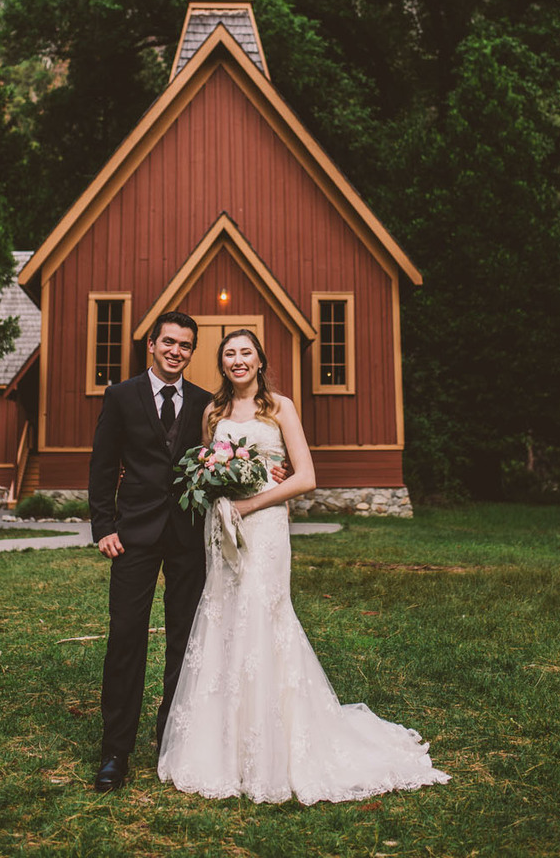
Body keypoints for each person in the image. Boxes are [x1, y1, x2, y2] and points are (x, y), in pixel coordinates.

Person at [158, 328, 451, 804]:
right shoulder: (213, 413)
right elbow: (208, 469)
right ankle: (221, 747)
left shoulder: (281, 408)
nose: (237, 361)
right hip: (223, 528)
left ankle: (274, 745)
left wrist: (251, 504)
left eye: (245, 353)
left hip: (265, 527)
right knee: (225, 619)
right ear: (221, 362)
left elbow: (307, 476)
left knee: (261, 617)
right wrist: (218, 489)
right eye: (229, 354)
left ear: (260, 360)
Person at [88, 311, 210, 794]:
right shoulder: (120, 396)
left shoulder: (204, 401)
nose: (176, 351)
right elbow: (102, 463)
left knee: (185, 640)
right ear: (153, 345)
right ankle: (115, 751)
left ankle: (171, 741)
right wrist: (103, 526)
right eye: (169, 342)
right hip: (133, 535)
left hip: (188, 536)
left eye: (185, 345)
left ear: (190, 351)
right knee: (125, 638)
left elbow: (224, 456)